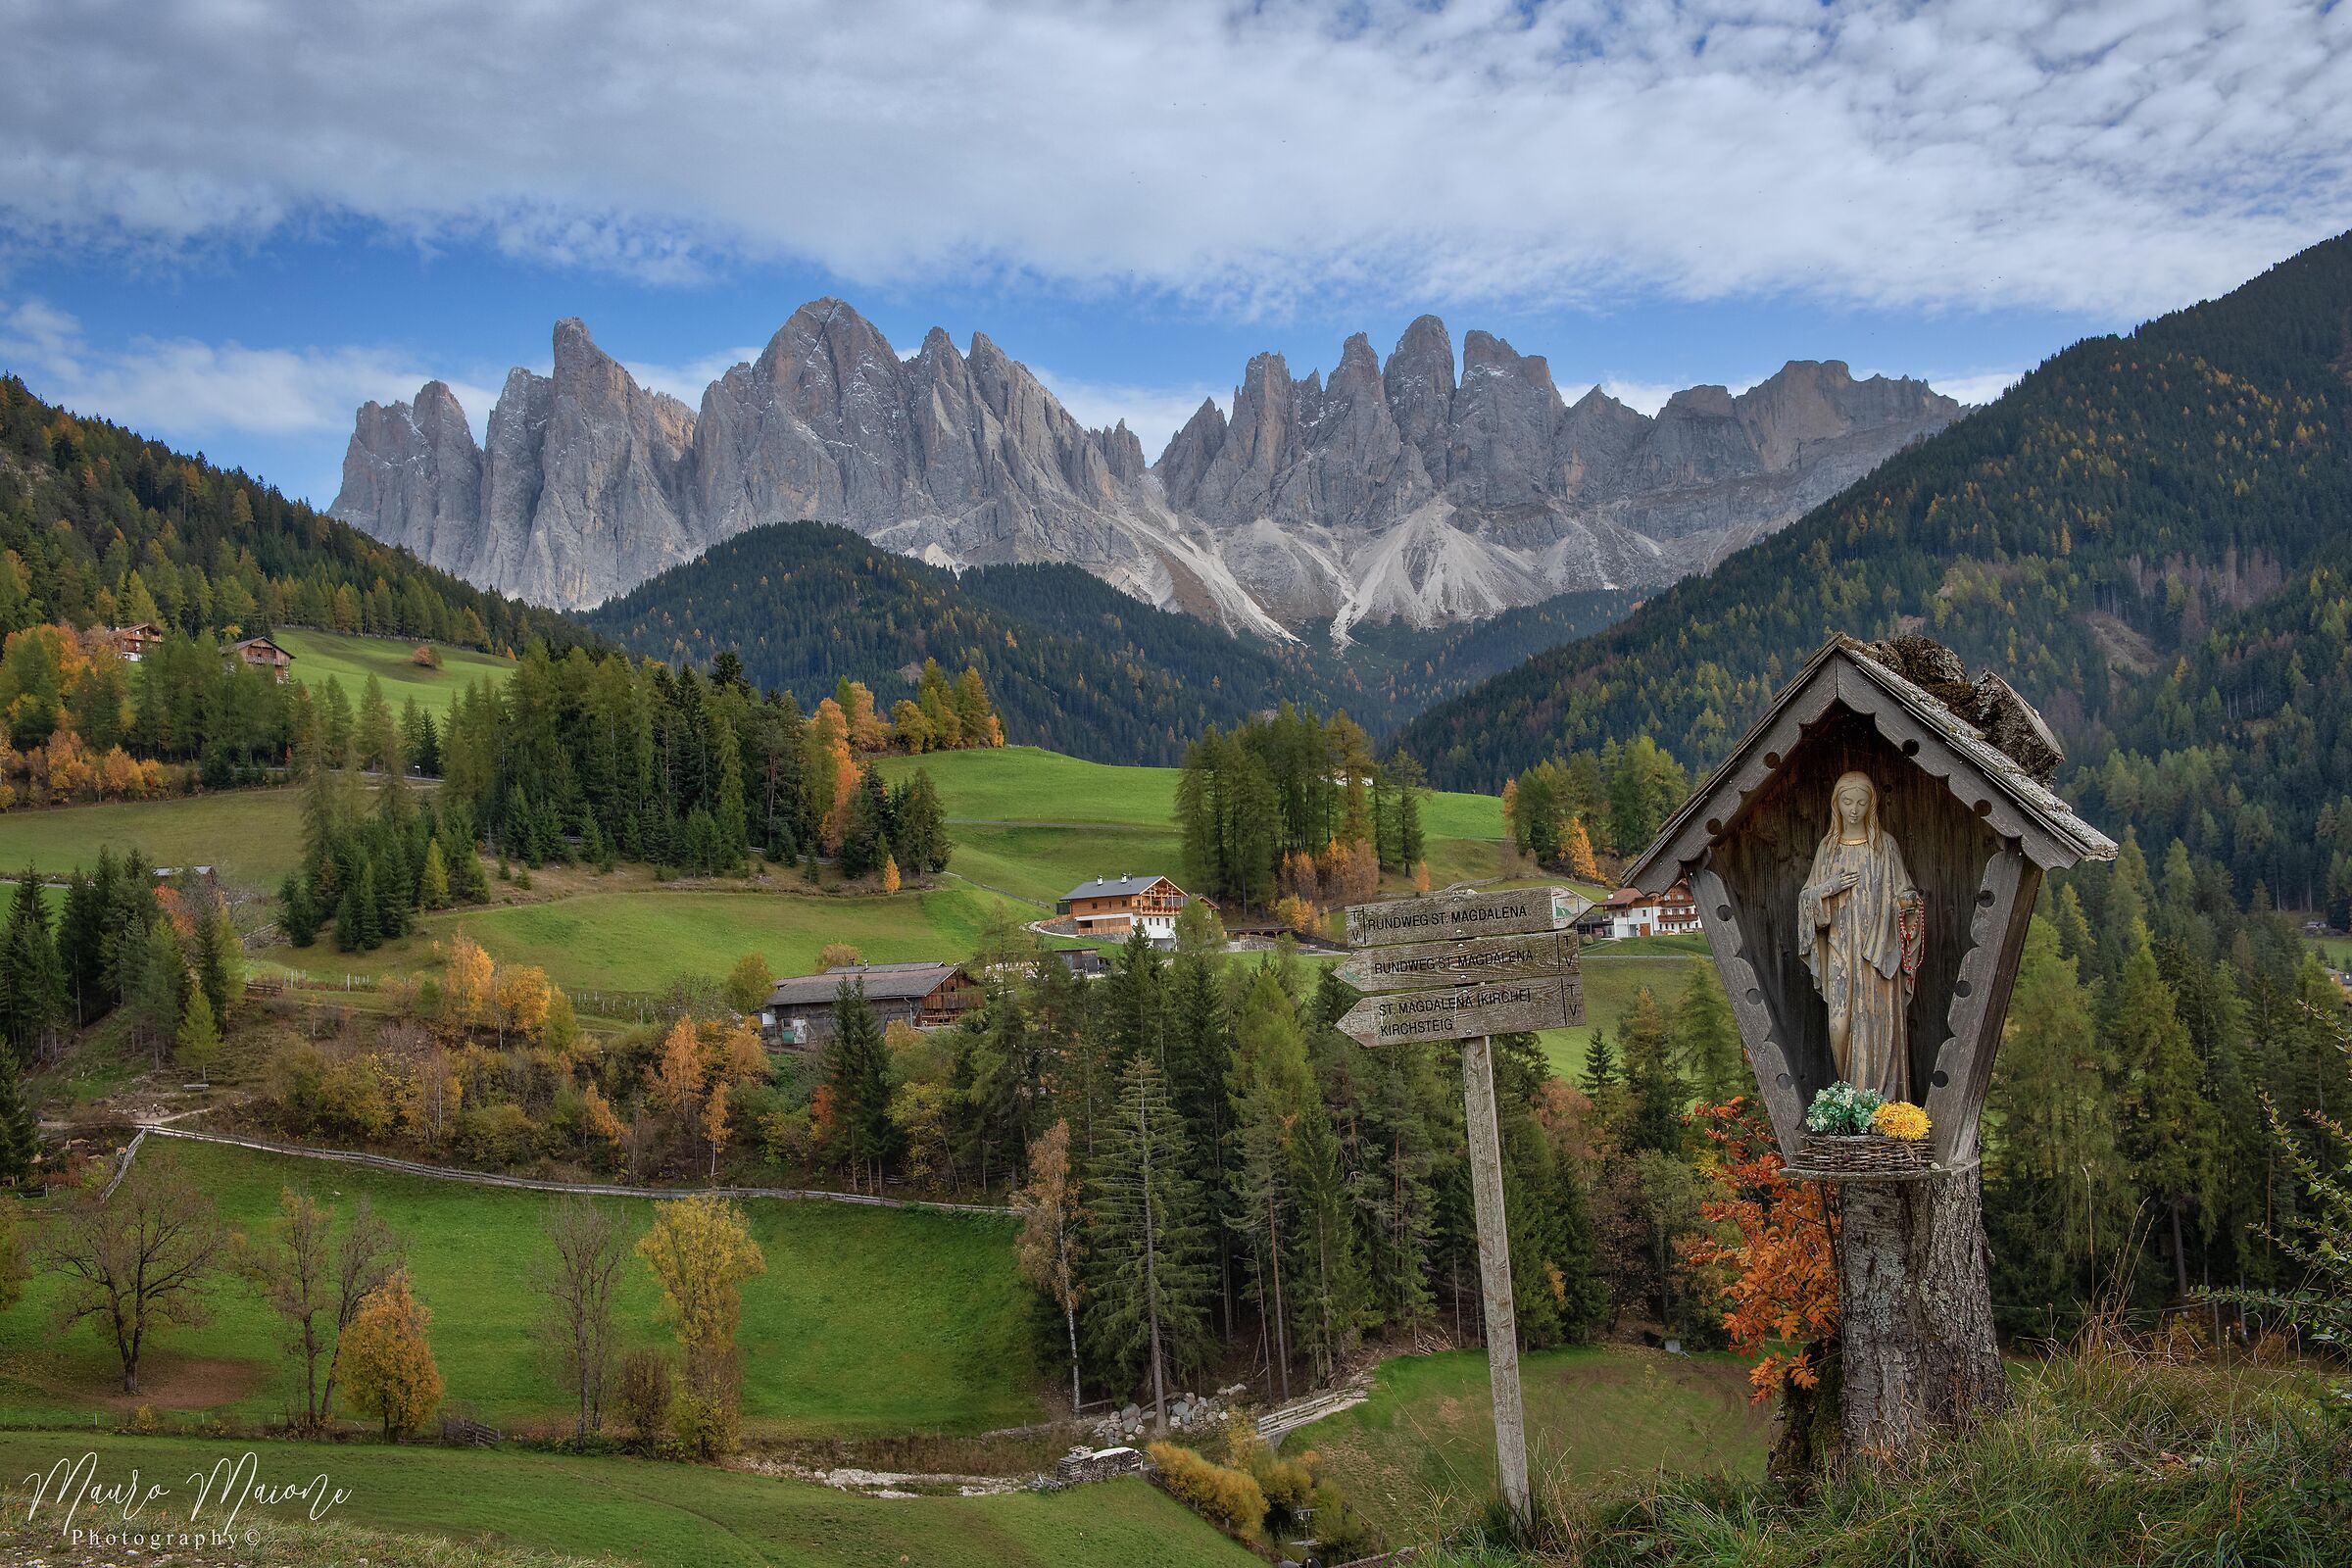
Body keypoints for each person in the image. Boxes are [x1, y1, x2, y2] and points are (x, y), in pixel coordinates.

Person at [1798, 771, 1922, 1100]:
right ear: (1836, 804)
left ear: (1872, 805)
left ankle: (1883, 1105)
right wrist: (1829, 889)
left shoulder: (1885, 847)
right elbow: (1807, 898)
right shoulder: (1829, 849)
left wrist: (1907, 905)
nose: (1854, 809)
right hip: (1840, 949)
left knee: (1877, 1026)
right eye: (1847, 801)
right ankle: (1853, 1101)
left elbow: (1905, 894)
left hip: (1877, 952)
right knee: (1839, 1026)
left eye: (1861, 802)